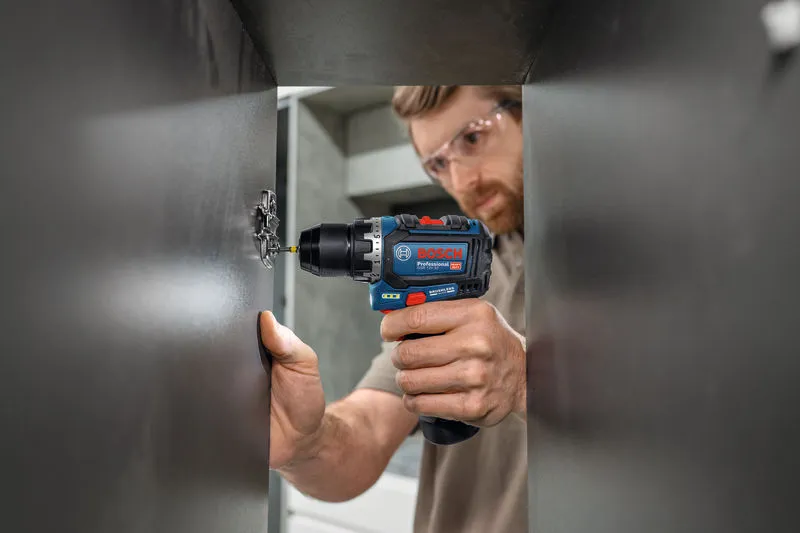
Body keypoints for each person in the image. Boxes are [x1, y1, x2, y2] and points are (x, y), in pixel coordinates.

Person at [260, 85, 527, 533]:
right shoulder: (464, 271)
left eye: (472, 138)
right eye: (437, 163)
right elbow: (367, 431)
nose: (461, 181)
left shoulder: (646, 266)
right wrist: (306, 442)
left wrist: (524, 379)